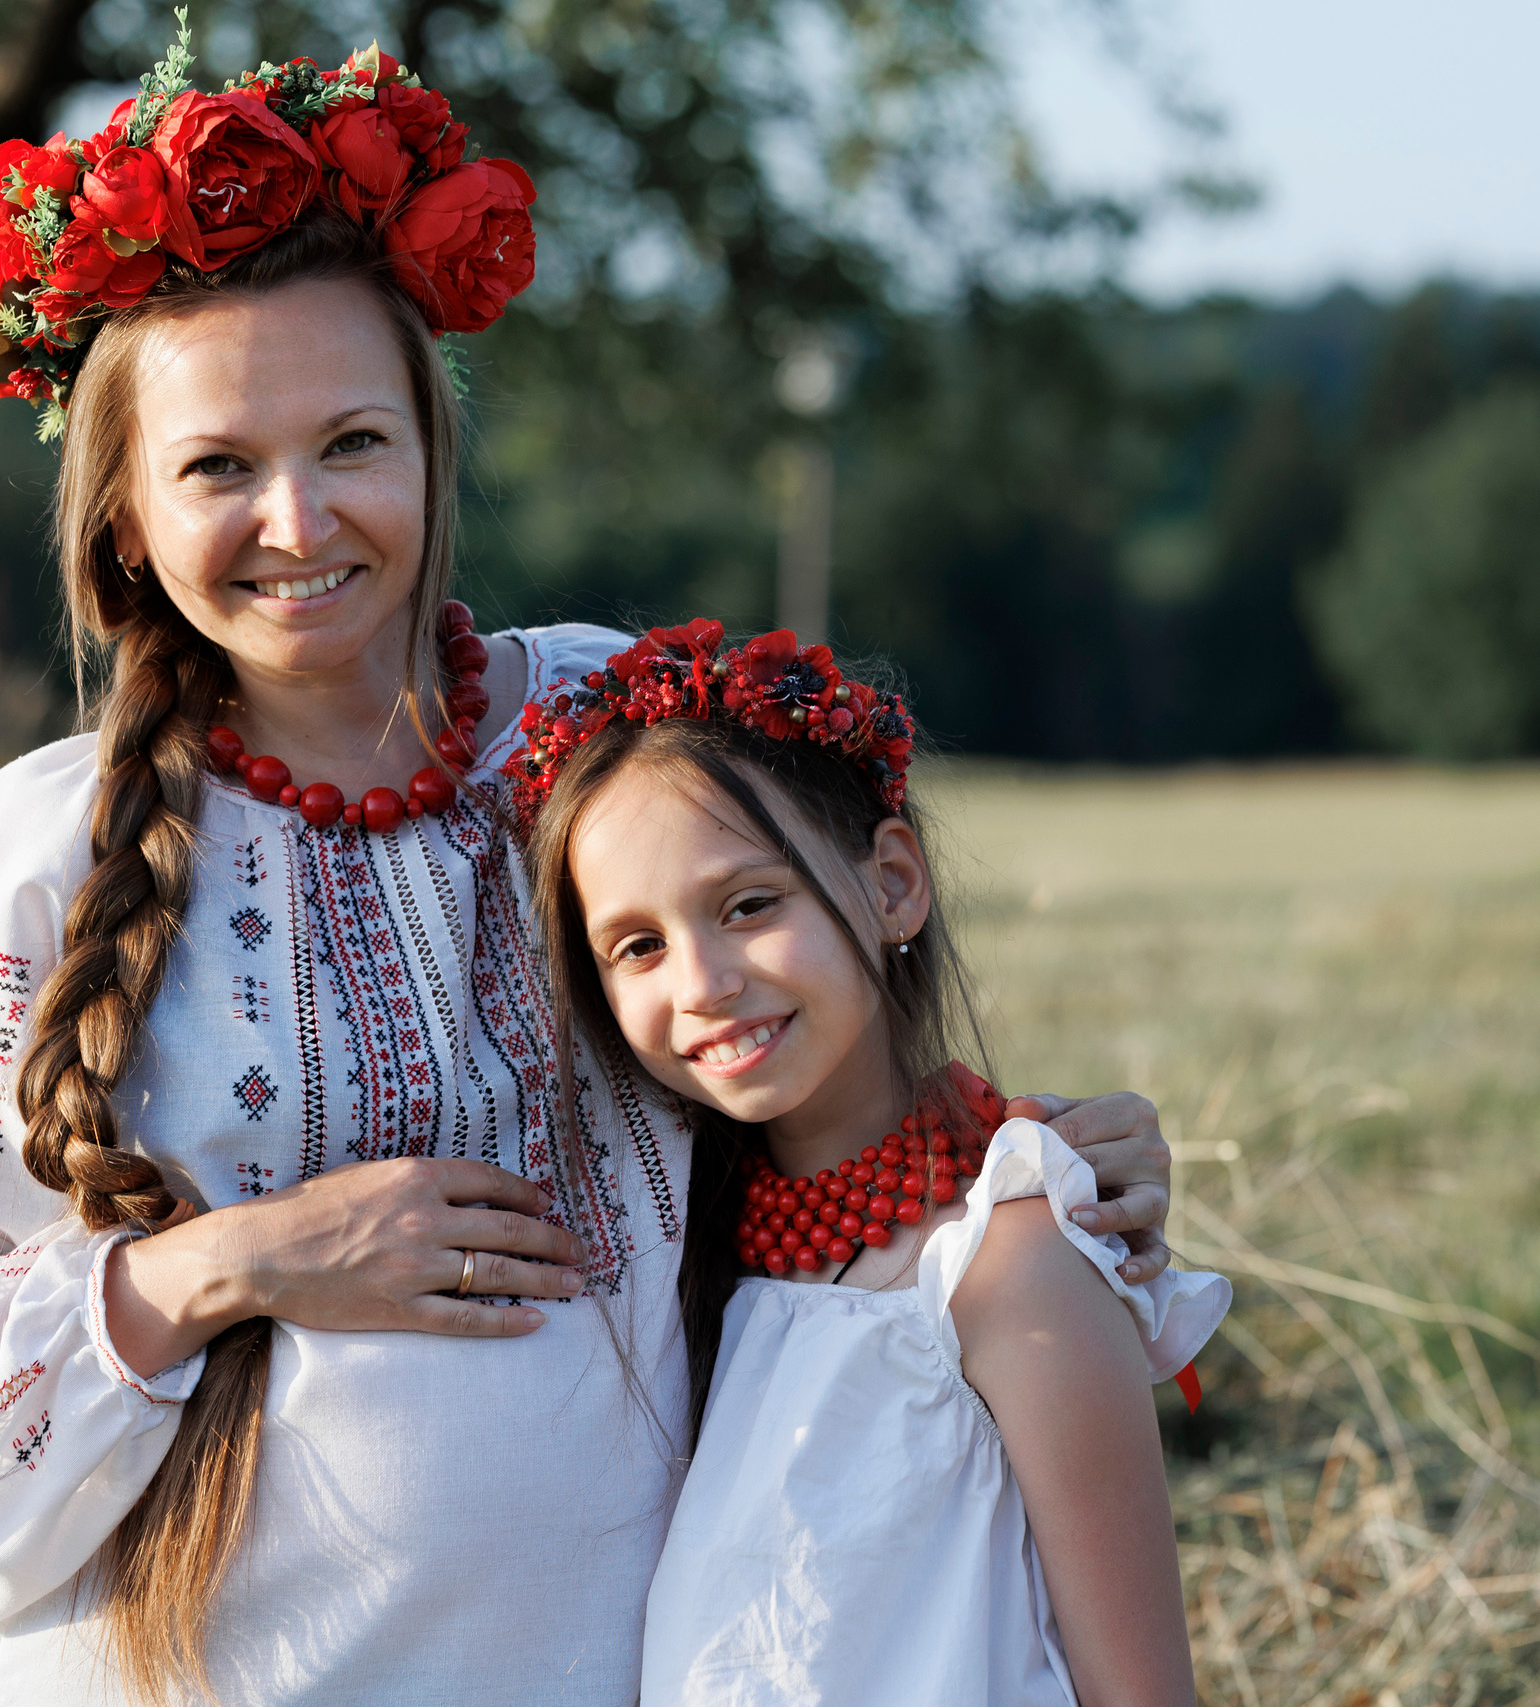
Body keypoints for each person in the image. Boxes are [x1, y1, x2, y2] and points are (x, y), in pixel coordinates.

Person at [0, 36, 1181, 1707]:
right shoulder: (33, 846)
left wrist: (1015, 1165)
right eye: (220, 465)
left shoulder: (603, 727)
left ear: (433, 453)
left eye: (353, 441)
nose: (299, 518)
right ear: (127, 520)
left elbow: (803, 1063)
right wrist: (238, 1259)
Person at [509, 622, 1229, 1706]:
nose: (700, 982)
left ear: (892, 883)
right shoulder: (679, 1262)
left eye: (749, 905)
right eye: (638, 946)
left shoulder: (1010, 1265)